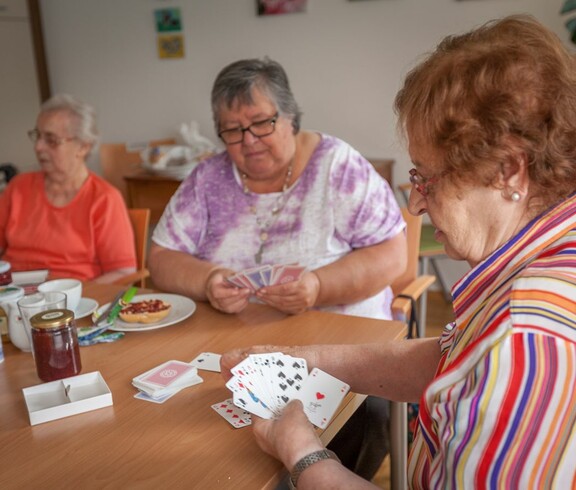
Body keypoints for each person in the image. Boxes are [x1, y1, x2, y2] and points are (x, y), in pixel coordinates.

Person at [221, 15, 576, 489]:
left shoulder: (523, 340)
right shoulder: (548, 254)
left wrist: (302, 451)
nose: (414, 203)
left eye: (427, 177)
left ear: (508, 171)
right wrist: (299, 359)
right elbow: (451, 361)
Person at [149, 57, 407, 479]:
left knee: (363, 417)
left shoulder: (336, 165)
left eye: (261, 123)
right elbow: (161, 258)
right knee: (195, 440)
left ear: (290, 117)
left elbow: (394, 254)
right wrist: (210, 280)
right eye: (232, 130)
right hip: (233, 351)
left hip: (341, 346)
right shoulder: (208, 178)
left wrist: (318, 286)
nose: (248, 140)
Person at [0, 94, 137, 283]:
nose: (39, 147)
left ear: (83, 147)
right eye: (37, 136)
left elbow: (123, 272)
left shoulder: (104, 198)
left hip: (72, 301)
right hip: (11, 296)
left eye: (51, 140)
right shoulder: (18, 187)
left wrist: (76, 295)